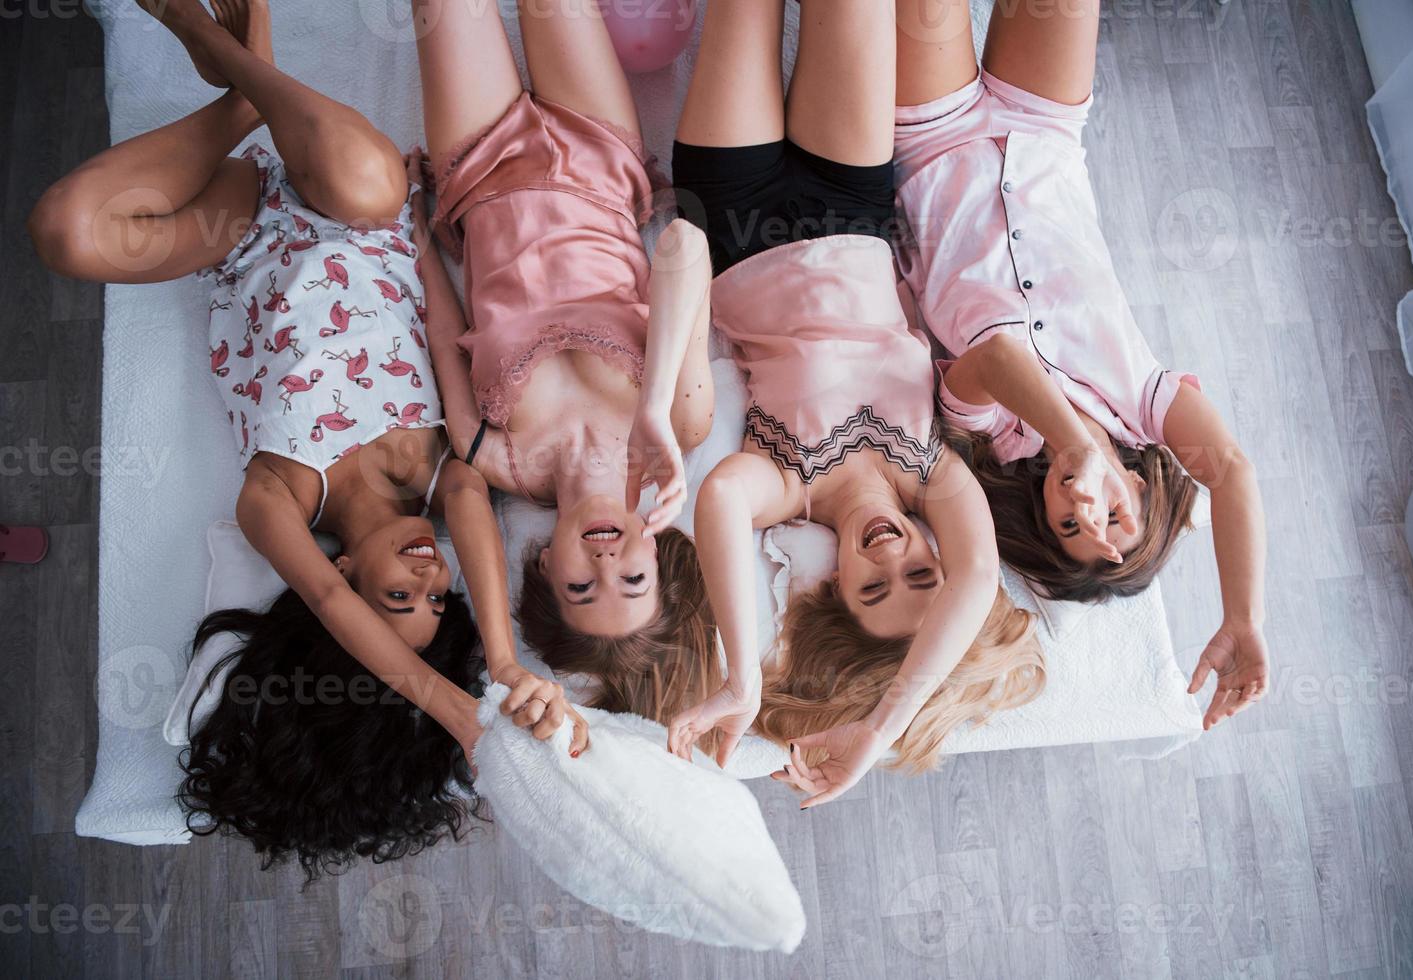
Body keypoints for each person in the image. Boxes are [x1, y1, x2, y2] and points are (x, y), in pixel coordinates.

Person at [28, 0, 582, 877]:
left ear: (352, 584)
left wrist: (451, 710)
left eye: (399, 599)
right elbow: (440, 337)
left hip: (238, 233)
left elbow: (324, 604)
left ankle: (240, 94)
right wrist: (504, 665)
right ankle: (240, 64)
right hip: (355, 211)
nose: (427, 581)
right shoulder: (439, 474)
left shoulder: (276, 498)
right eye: (438, 604)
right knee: (368, 181)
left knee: (65, 231)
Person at [664, 0, 1040, 807]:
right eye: (917, 572)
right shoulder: (929, 475)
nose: (888, 552)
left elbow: (720, 500)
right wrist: (885, 726)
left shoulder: (783, 487)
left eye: (872, 586)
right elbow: (977, 576)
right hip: (854, 199)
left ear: (834, 586)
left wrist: (742, 673)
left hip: (732, 214)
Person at [890, 0, 1268, 728]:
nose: (1084, 504)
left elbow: (995, 355)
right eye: (1115, 514)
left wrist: (1068, 442)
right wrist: (1241, 615)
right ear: (1138, 481)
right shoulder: (1145, 407)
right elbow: (1231, 471)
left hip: (929, 142)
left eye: (1069, 526)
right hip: (1044, 131)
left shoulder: (992, 433)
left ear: (1041, 513)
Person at [409, 0, 723, 728]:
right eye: (634, 579)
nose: (606, 564)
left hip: (476, 172)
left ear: (546, 569)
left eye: (584, 589)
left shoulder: (495, 457)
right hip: (600, 157)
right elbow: (683, 246)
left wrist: (416, 226)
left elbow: (443, 323)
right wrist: (650, 410)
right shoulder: (682, 424)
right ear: (660, 554)